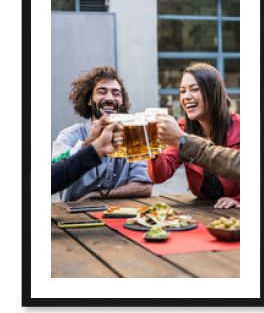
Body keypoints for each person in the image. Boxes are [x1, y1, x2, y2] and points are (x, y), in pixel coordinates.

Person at [52, 66, 152, 201]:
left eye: (116, 93)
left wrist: (95, 196)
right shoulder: (70, 135)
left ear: (122, 101)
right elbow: (53, 174)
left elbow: (144, 186)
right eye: (102, 92)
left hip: (120, 216)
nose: (110, 98)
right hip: (76, 218)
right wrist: (89, 144)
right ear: (88, 100)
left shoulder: (134, 135)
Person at [148, 63, 240, 209]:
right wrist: (153, 145)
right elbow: (160, 175)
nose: (186, 97)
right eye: (182, 91)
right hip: (202, 212)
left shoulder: (241, 127)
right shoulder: (183, 129)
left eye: (195, 89)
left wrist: (239, 199)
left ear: (213, 91)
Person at [51, 122, 123, 194]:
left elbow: (134, 183)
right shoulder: (70, 135)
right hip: (75, 204)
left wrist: (94, 195)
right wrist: (91, 146)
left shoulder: (127, 134)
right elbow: (55, 174)